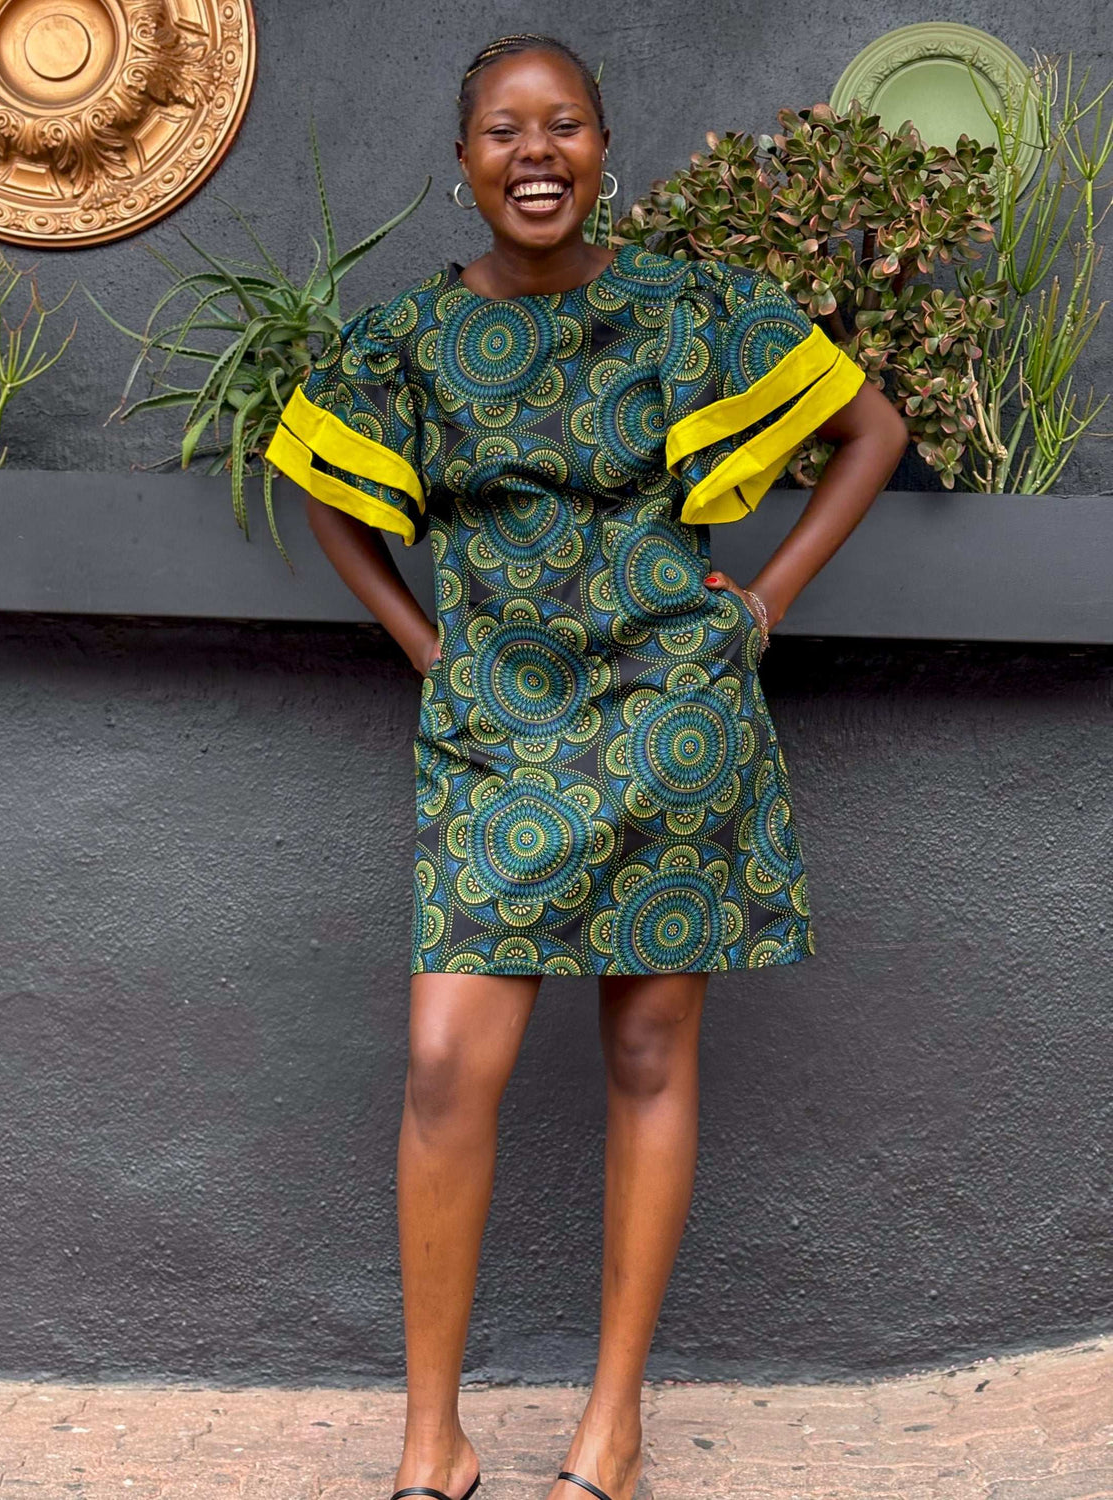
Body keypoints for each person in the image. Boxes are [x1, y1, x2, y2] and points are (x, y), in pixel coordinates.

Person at [264, 31, 908, 1500]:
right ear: (464, 162)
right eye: (504, 130)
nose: (534, 152)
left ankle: (610, 1432)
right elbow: (326, 495)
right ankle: (433, 1440)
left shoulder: (690, 308)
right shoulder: (408, 339)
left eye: (563, 127)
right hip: (498, 727)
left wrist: (765, 601)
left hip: (671, 714)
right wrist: (425, 647)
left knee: (646, 1051)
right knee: (442, 1067)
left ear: (605, 153)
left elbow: (872, 428)